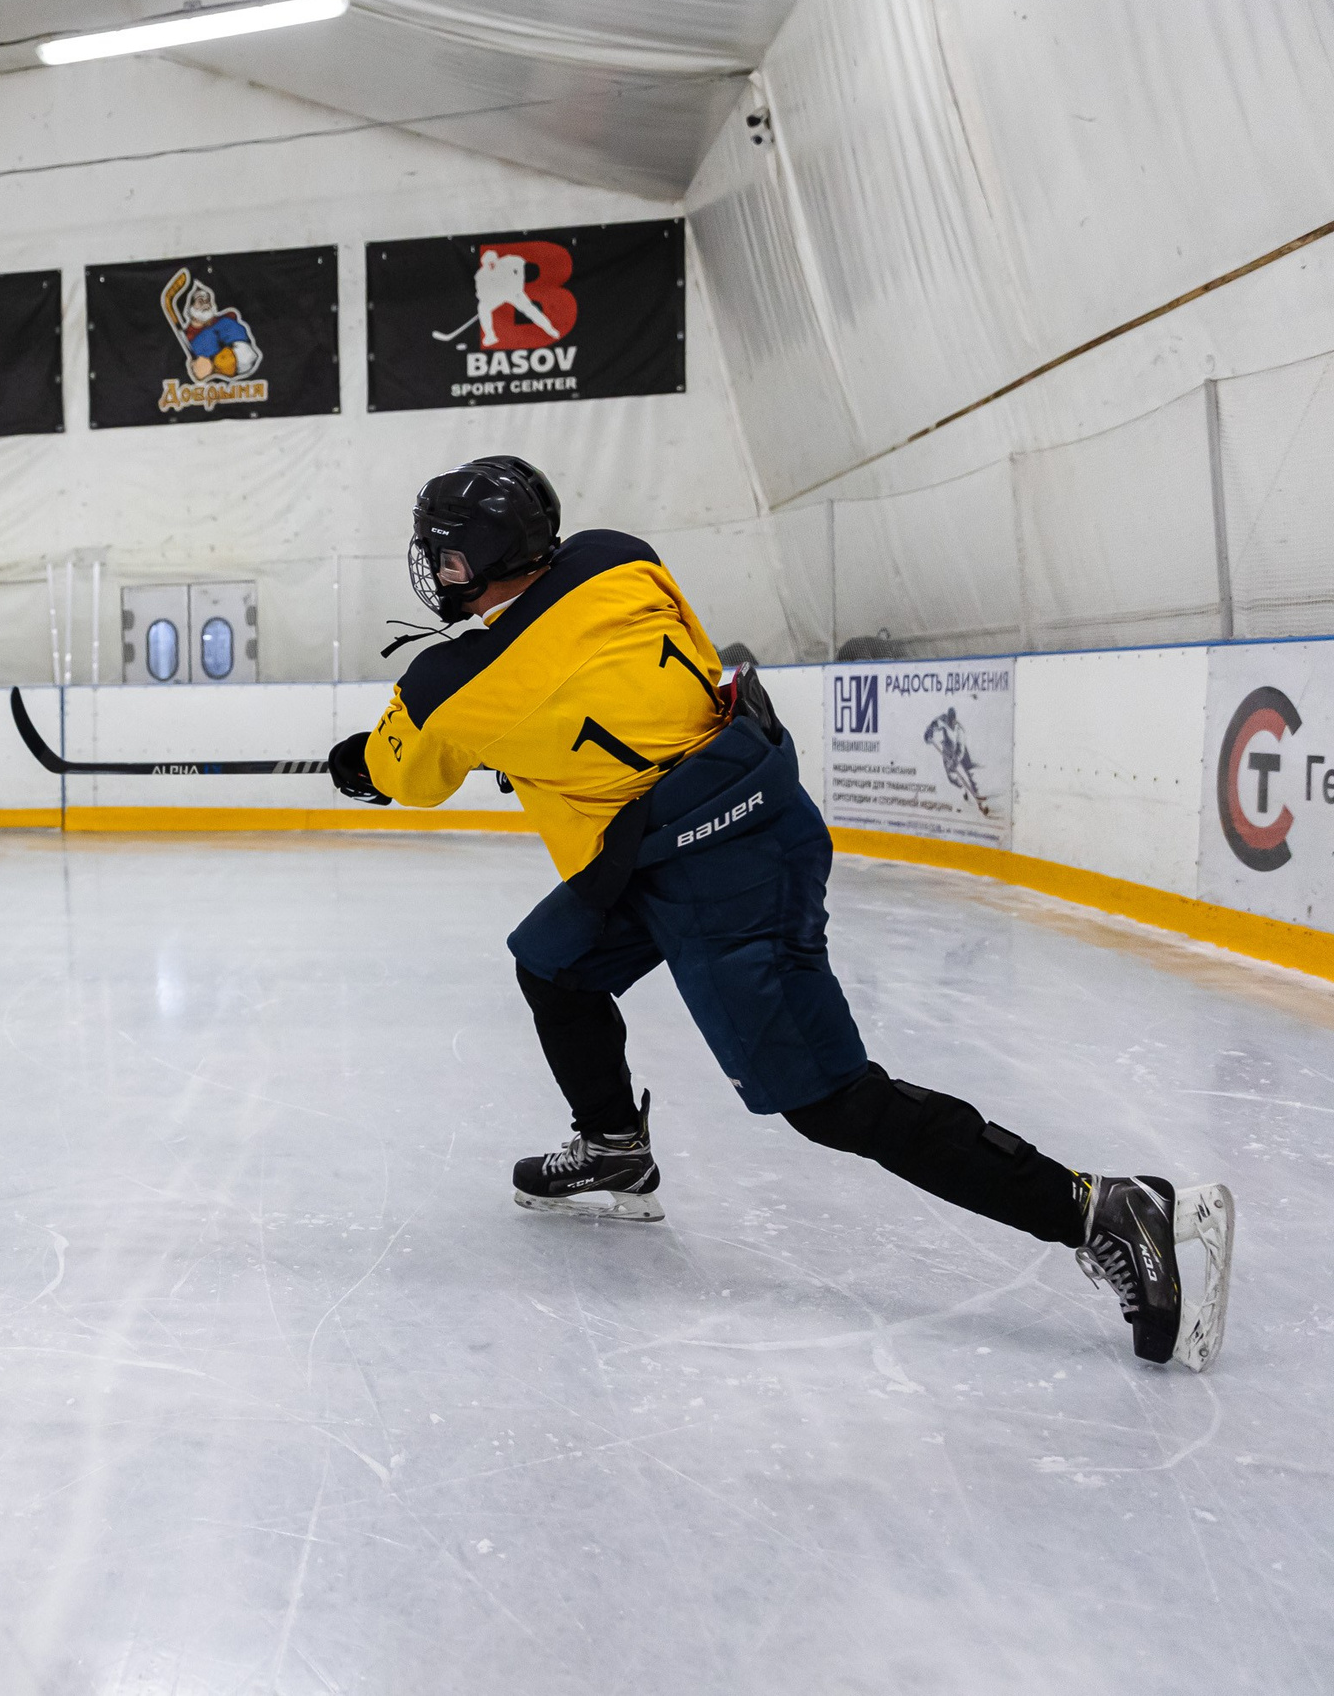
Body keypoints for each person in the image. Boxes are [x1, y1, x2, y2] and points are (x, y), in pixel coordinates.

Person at [326, 457, 1234, 1370]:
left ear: (478, 556)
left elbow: (406, 773)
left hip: (723, 869)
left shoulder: (455, 678)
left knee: (831, 1100)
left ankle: (1102, 1209)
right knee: (555, 963)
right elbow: (597, 684)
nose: (434, 569)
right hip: (715, 816)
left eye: (443, 554)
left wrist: (359, 759)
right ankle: (612, 1146)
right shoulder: (616, 557)